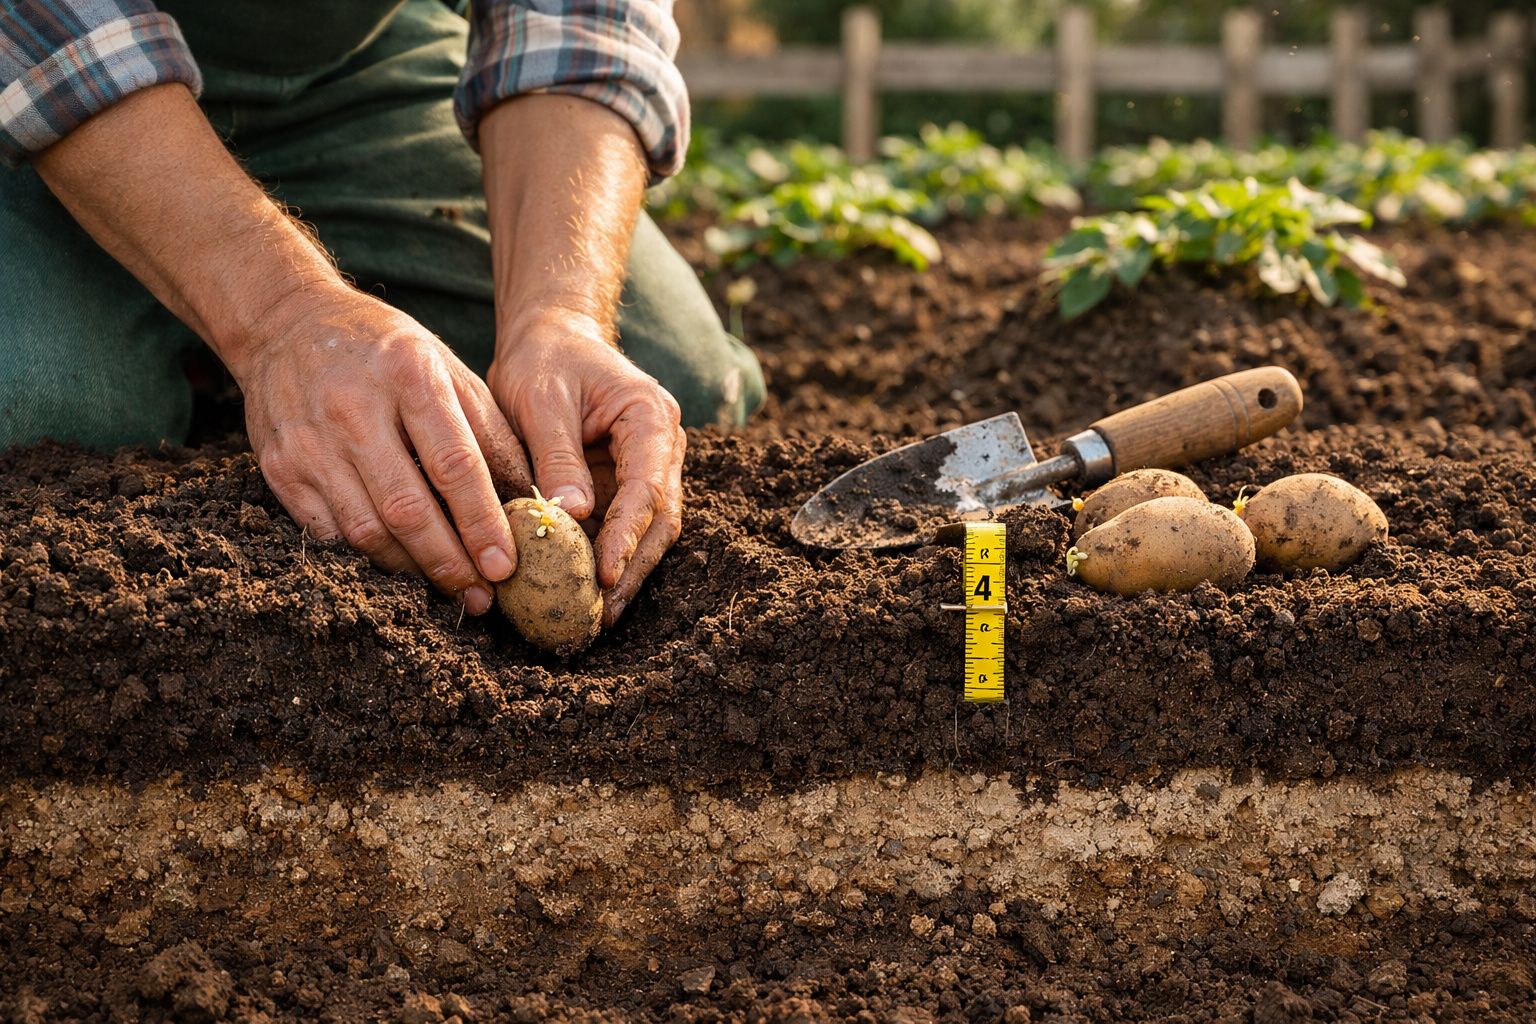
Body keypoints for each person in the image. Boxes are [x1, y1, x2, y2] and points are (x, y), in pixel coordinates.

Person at [0, 0, 763, 626]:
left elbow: (579, 22)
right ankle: (216, 347)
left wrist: (558, 314)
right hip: (36, 84)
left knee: (671, 389)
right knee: (40, 405)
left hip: (352, 74)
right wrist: (279, 318)